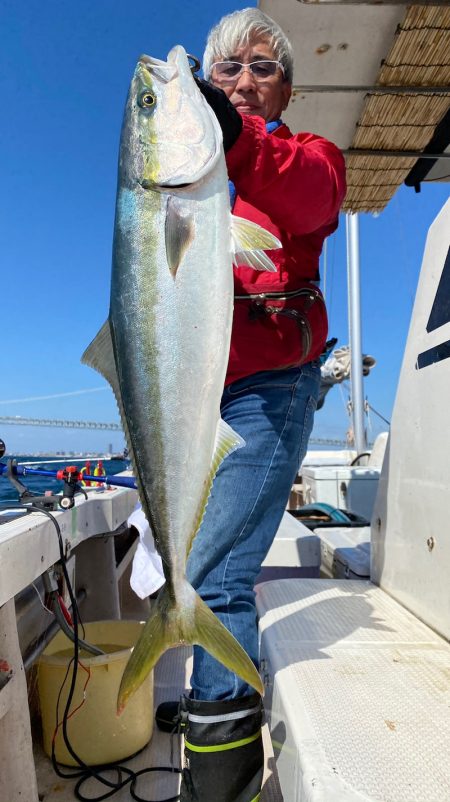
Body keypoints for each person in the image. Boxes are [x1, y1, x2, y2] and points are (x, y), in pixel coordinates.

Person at [156, 8, 346, 801]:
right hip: (195, 394)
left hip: (271, 388)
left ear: (286, 89)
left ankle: (220, 773)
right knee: (192, 558)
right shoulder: (184, 175)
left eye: (262, 68)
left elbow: (311, 198)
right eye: (227, 69)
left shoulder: (309, 157)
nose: (242, 81)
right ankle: (215, 717)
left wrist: (233, 140)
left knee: (214, 574)